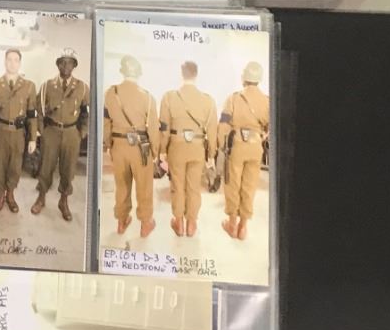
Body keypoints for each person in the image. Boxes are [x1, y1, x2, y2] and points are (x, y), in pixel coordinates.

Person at [103, 54, 160, 239]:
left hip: (118, 146)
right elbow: (153, 128)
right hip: (141, 148)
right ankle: (145, 224)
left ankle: (121, 221)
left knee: (121, 185)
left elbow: (106, 122)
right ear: (139, 73)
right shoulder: (148, 98)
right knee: (144, 187)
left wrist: (108, 144)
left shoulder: (110, 93)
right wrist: (155, 152)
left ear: (122, 71)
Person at [160, 60, 218, 239]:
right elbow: (212, 130)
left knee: (177, 185)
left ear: (182, 74)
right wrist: (211, 154)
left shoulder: (169, 97)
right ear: (196, 75)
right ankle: (191, 224)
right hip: (197, 148)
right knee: (194, 186)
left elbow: (164, 128)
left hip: (176, 147)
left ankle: (178, 222)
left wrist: (162, 151)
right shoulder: (208, 100)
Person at [32, 50, 89, 222]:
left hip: (72, 133)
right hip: (51, 131)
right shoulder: (47, 86)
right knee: (45, 166)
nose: (66, 66)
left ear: (74, 66)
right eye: (62, 62)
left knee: (68, 169)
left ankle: (63, 201)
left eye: (70, 62)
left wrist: (81, 133)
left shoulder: (82, 87)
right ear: (57, 65)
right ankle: (41, 197)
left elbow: (86, 113)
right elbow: (38, 111)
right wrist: (42, 131)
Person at [0, 48, 40, 214]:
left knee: (16, 166)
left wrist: (33, 138)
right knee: (0, 164)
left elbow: (32, 114)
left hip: (18, 133)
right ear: (5, 62)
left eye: (16, 60)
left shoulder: (29, 86)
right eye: (9, 59)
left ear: (20, 63)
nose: (12, 63)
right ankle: (0, 194)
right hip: (0, 131)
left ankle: (10, 194)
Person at [221, 59, 270, 241]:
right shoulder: (267, 101)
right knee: (250, 186)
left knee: (233, 183)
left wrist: (222, 145)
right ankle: (243, 227)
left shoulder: (233, 98)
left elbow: (223, 124)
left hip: (237, 146)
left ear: (244, 78)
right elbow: (271, 127)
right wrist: (261, 137)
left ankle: (232, 224)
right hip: (256, 147)